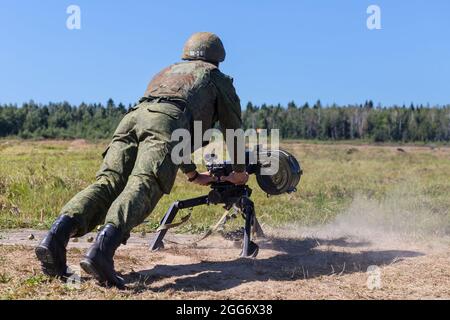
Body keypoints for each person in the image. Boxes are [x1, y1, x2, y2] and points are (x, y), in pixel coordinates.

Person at [35, 32, 249, 288]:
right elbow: (230, 128)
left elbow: (173, 124)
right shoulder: (216, 78)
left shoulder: (167, 72)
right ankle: (101, 254)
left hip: (132, 119)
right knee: (144, 183)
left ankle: (54, 240)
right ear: (218, 58)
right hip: (165, 123)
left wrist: (191, 174)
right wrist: (238, 170)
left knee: (108, 182)